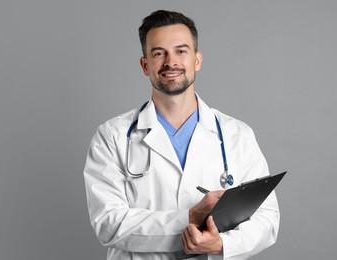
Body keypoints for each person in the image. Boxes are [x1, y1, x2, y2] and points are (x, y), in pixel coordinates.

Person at [83, 10, 279, 260]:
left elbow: (267, 219)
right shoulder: (112, 137)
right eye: (158, 53)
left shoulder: (236, 134)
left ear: (197, 60)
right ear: (145, 65)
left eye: (181, 51)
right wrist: (190, 218)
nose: (170, 62)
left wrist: (221, 244)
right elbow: (108, 224)